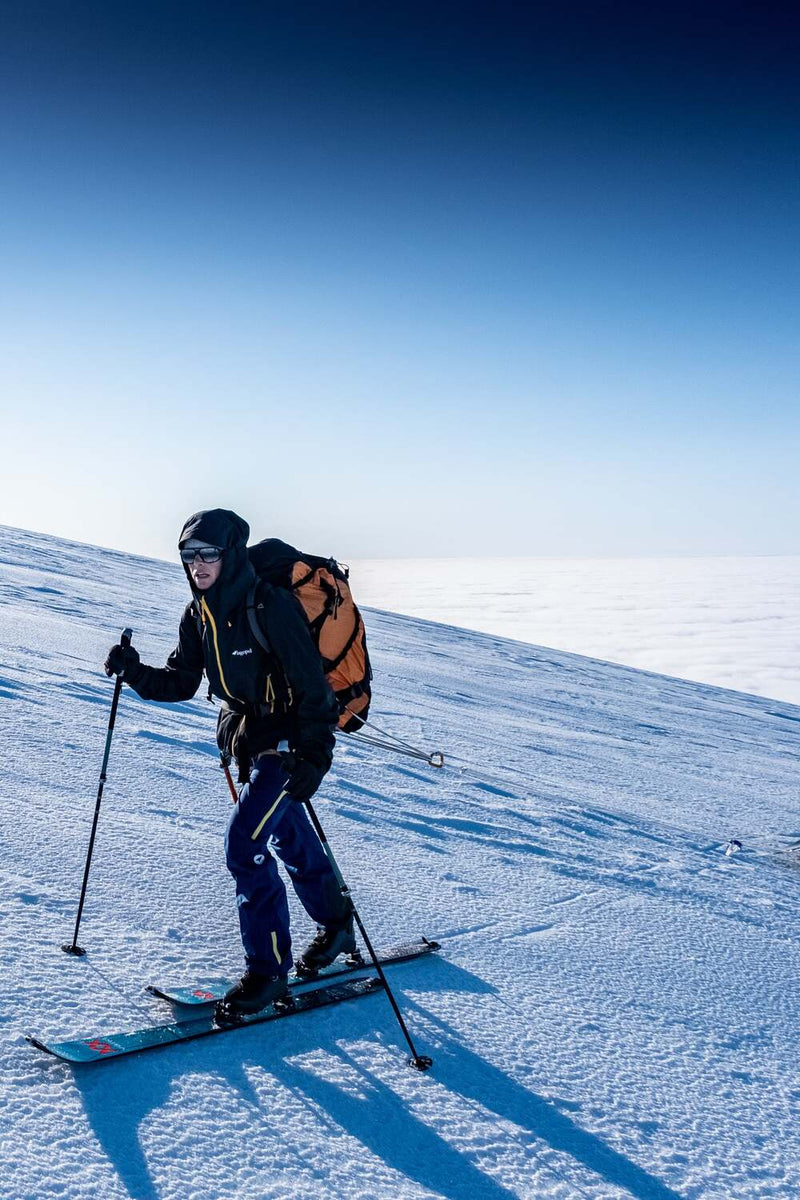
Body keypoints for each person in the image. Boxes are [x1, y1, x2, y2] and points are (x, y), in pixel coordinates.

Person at [104, 508, 355, 1016]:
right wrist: (134, 673)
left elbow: (312, 688)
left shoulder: (270, 605)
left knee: (246, 844)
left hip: (287, 743)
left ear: (231, 554)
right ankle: (336, 923)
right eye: (189, 555)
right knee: (283, 832)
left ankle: (268, 973)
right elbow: (182, 681)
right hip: (250, 739)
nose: (197, 565)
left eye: (208, 554)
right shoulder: (198, 614)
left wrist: (315, 757)